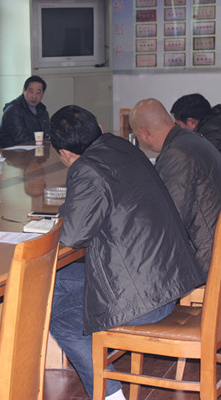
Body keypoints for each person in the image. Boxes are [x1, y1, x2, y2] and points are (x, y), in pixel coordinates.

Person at [48, 105, 204, 400]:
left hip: (145, 297)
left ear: (65, 153)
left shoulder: (86, 168)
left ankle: (111, 396)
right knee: (54, 281)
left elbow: (73, 236)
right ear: (99, 128)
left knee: (64, 323)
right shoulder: (121, 146)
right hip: (167, 277)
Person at [130, 98, 221, 274]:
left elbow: (170, 219)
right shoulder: (191, 139)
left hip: (206, 259)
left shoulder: (176, 155)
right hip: (212, 245)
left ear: (144, 133)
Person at [0, 75, 50, 147]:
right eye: (31, 92)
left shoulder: (41, 110)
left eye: (38, 93)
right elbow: (22, 139)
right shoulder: (13, 110)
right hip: (14, 151)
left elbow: (47, 134)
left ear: (43, 94)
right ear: (24, 91)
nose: (34, 96)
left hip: (35, 150)